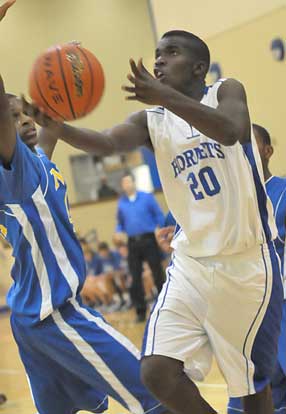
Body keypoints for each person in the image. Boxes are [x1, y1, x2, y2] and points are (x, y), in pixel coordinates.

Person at [24, 29, 284, 414]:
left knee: (251, 391)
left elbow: (231, 131)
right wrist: (61, 129)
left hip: (246, 263)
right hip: (191, 264)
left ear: (199, 68)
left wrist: (165, 96)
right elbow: (108, 142)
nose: (159, 60)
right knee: (156, 372)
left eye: (171, 52)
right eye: (157, 53)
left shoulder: (226, 91)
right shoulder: (153, 120)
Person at [0, 4, 169, 413]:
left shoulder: (40, 161)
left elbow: (51, 128)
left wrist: (65, 68)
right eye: (12, 117)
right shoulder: (14, 173)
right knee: (158, 391)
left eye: (25, 112)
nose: (24, 120)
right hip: (54, 314)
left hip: (31, 320)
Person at [227, 124, 286, 414]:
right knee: (250, 394)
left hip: (279, 304)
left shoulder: (283, 191)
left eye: (249, 144)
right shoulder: (229, 197)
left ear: (267, 151)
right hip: (245, 310)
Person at [116, 174, 166, 322]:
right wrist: (118, 232)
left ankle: (165, 307)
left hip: (149, 239)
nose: (126, 185)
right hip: (133, 242)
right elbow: (120, 223)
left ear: (133, 182)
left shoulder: (146, 197)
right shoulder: (121, 203)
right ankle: (140, 311)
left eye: (128, 182)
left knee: (157, 273)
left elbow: (158, 215)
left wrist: (160, 229)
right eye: (123, 183)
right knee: (135, 277)